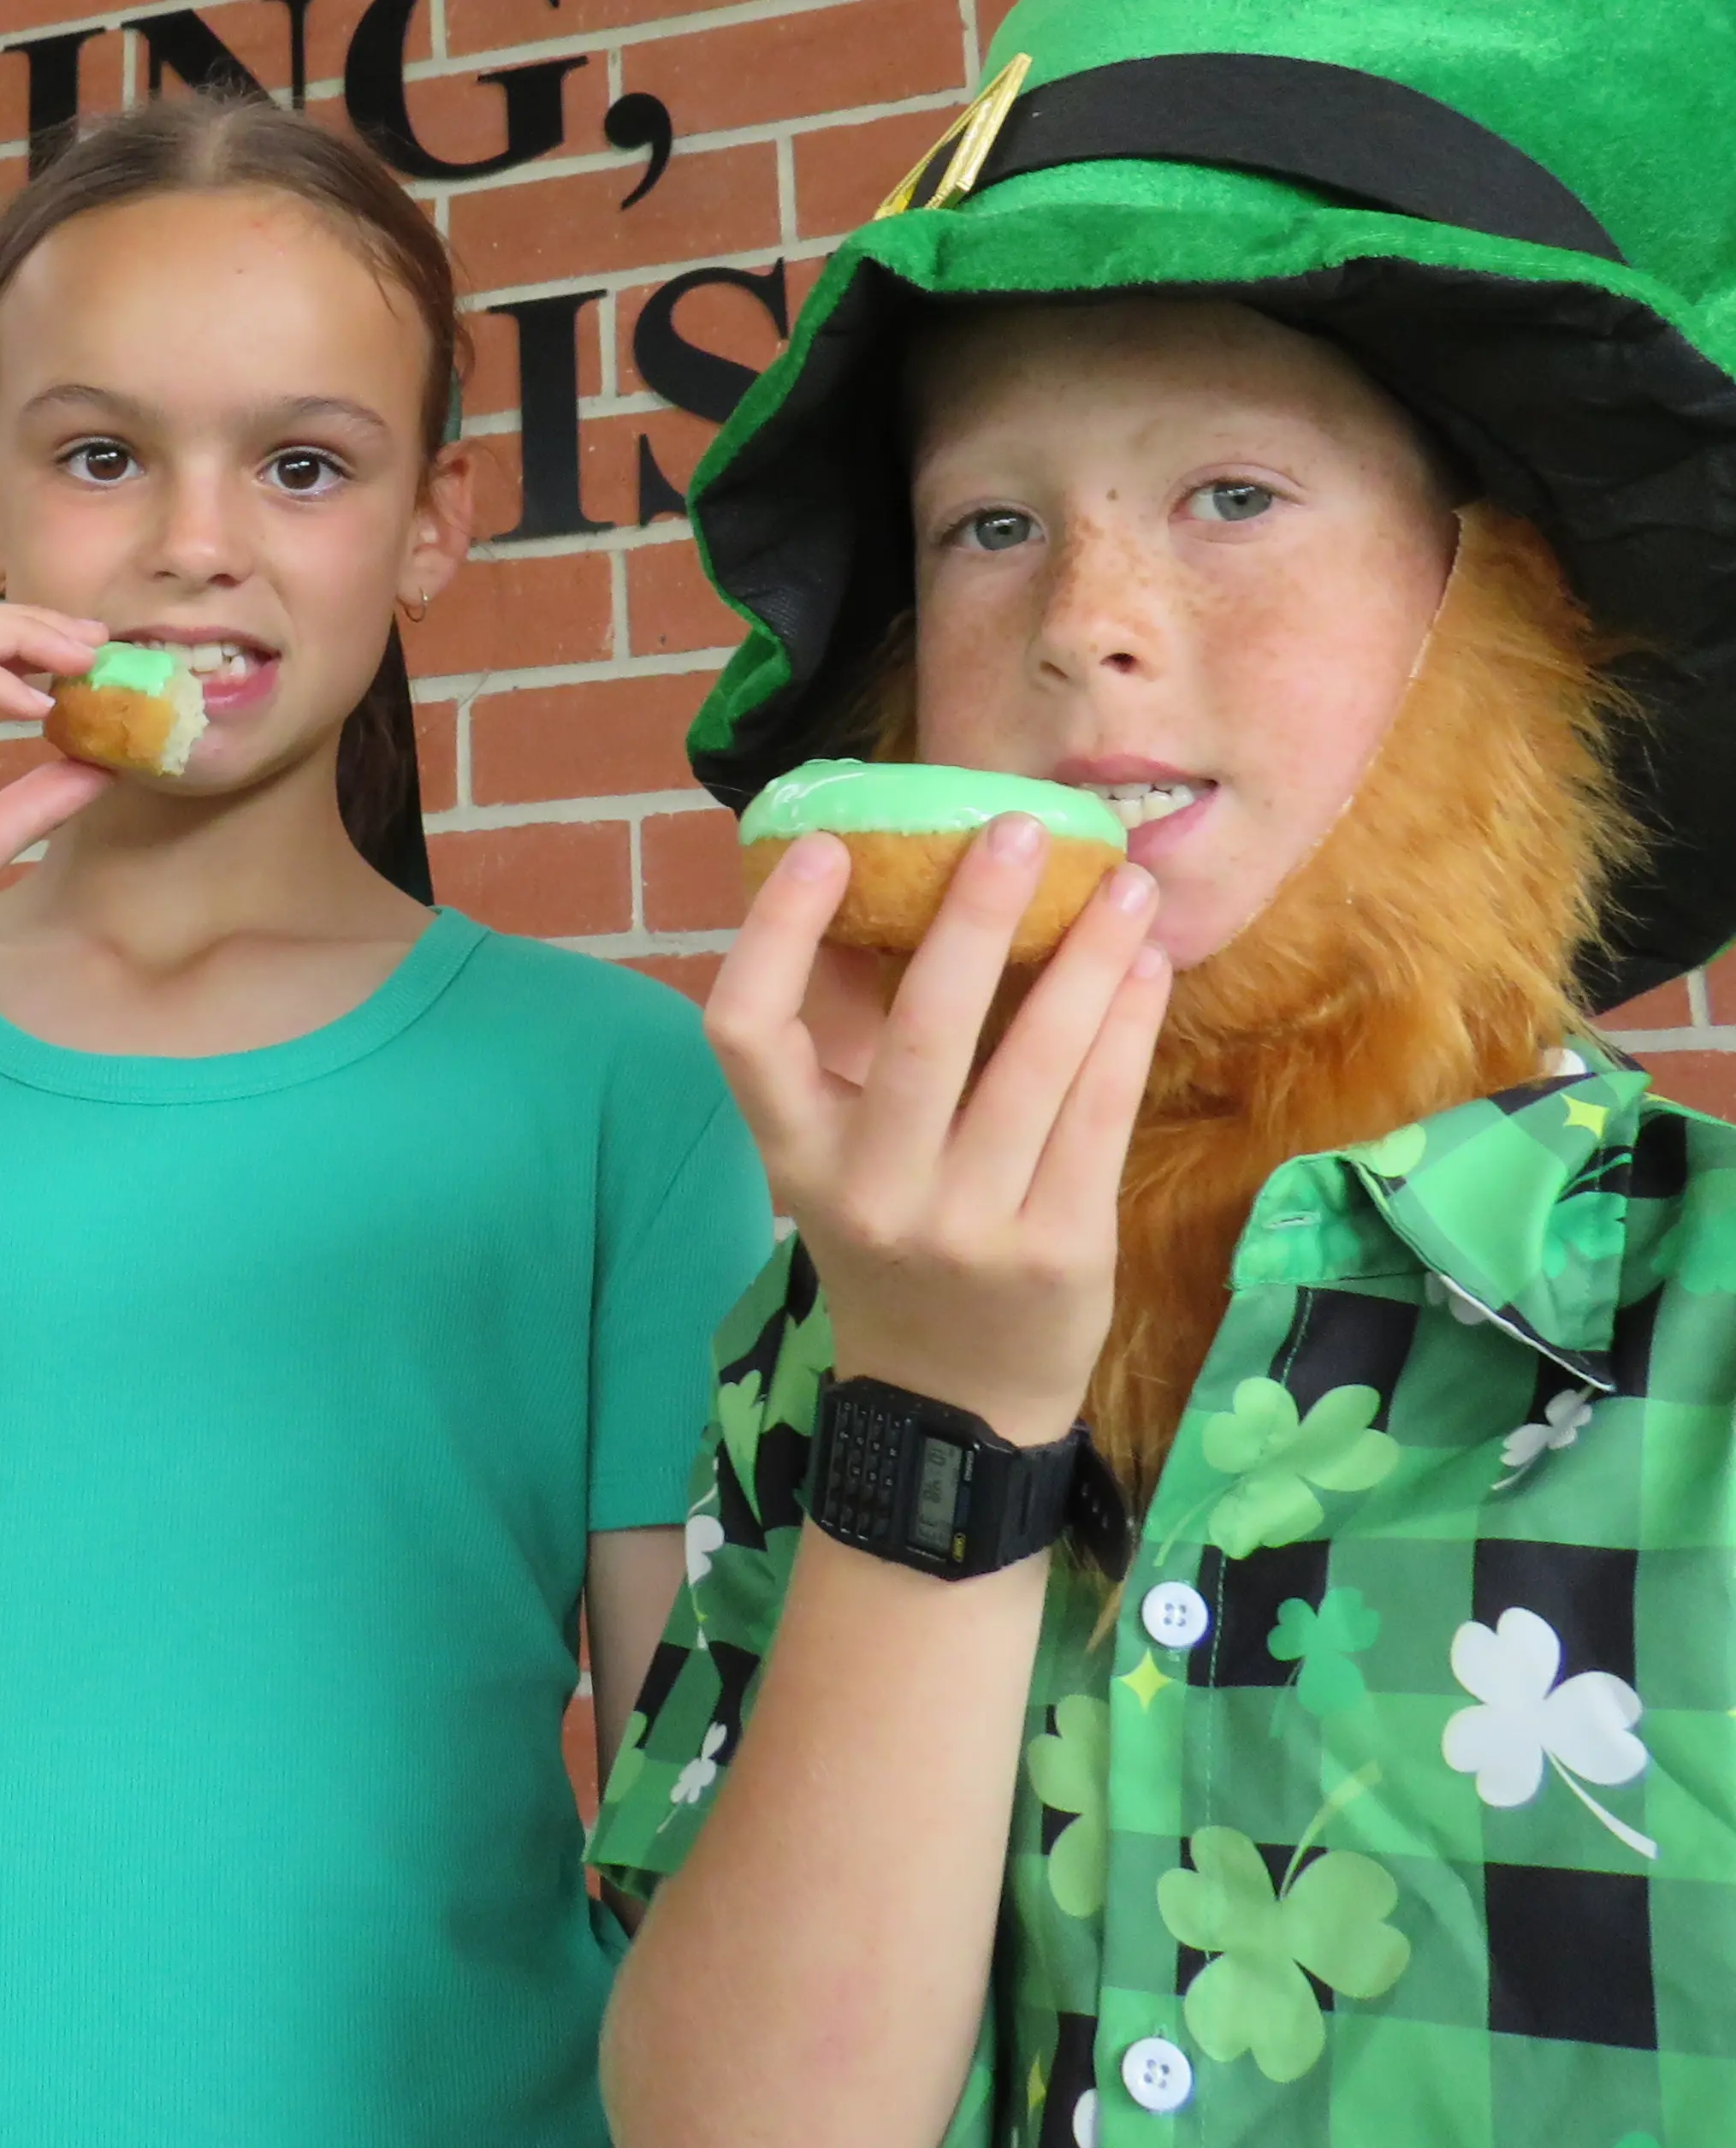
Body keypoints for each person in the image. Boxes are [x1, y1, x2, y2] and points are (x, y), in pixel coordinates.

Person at [0, 94, 774, 2148]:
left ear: (434, 519)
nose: (197, 540)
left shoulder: (618, 1087)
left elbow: (702, 1846)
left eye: (303, 464)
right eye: (103, 454)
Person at [587, 4, 1736, 2145]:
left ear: (1495, 605)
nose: (1084, 618)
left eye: (1232, 494)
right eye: (985, 526)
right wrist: (934, 1416)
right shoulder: (826, 1334)